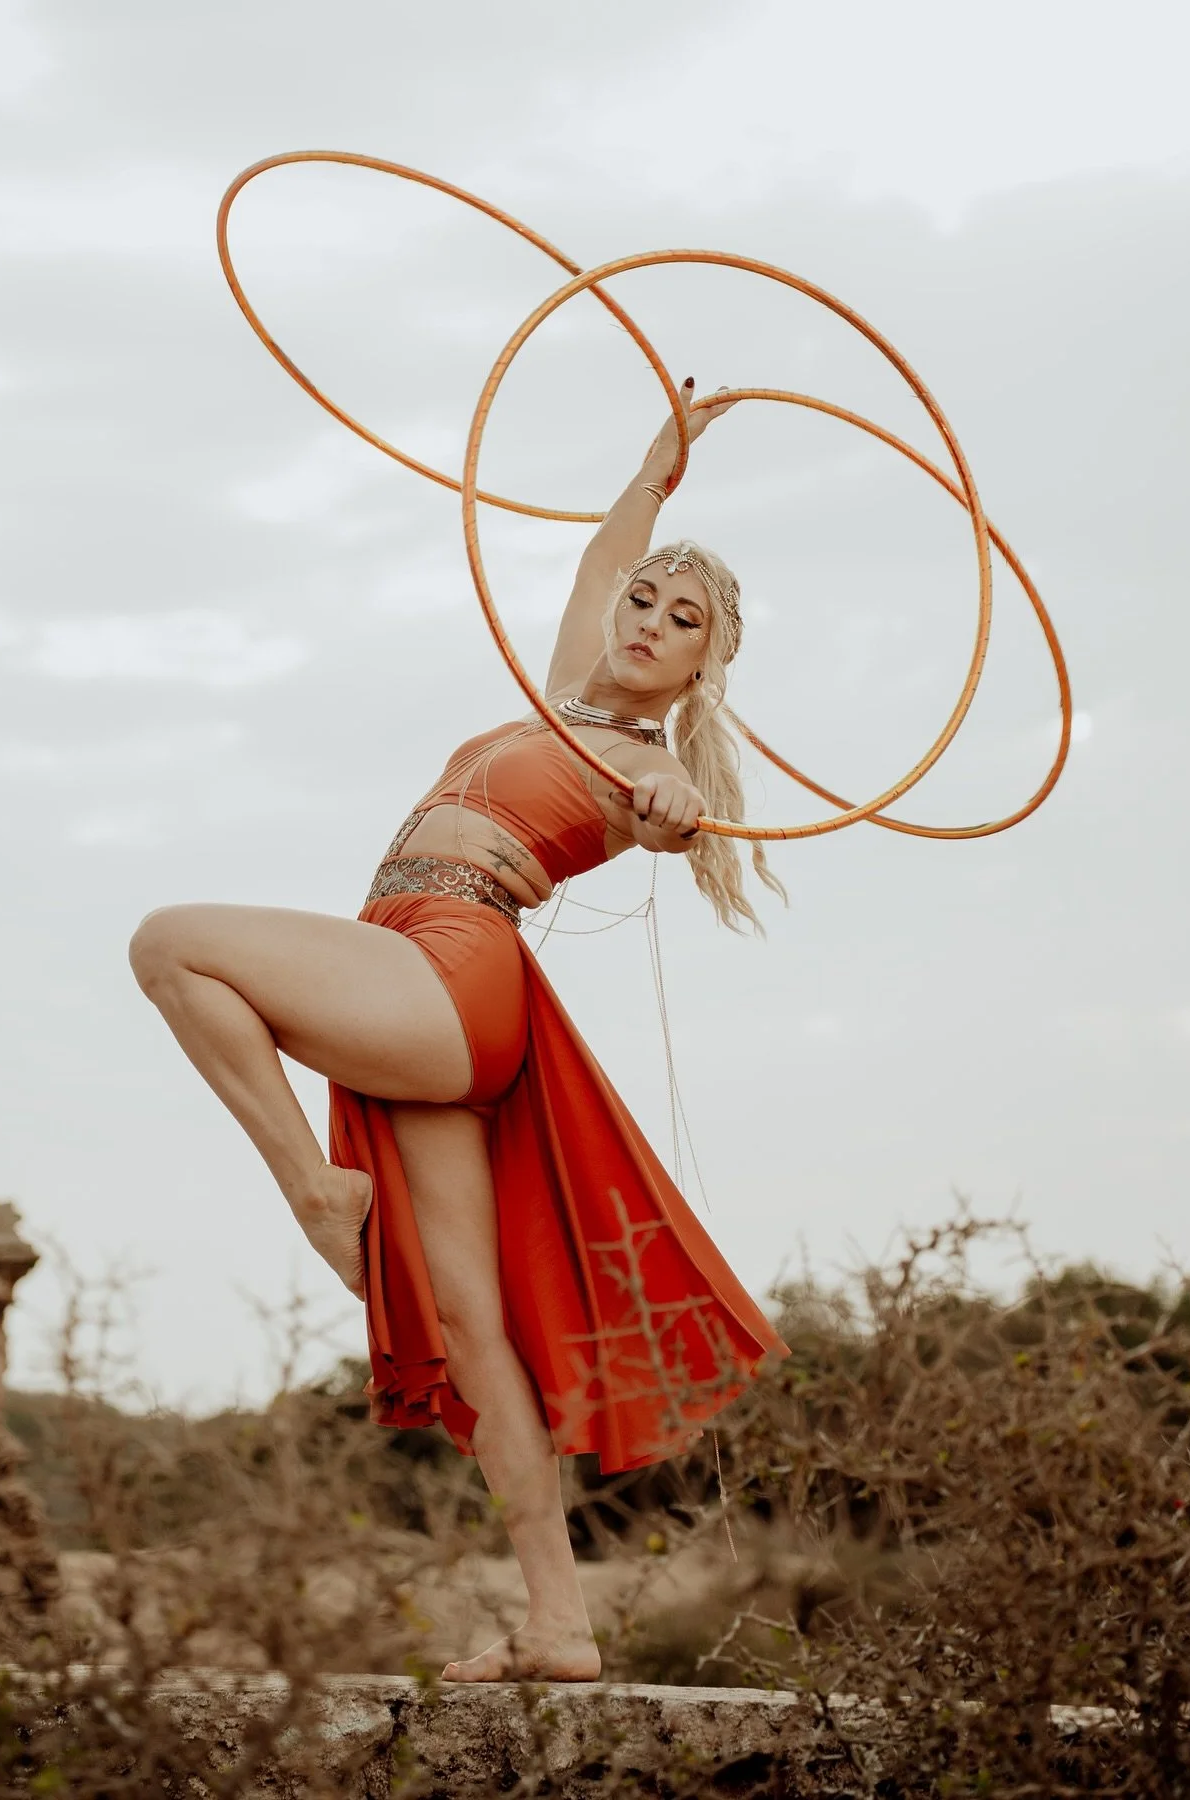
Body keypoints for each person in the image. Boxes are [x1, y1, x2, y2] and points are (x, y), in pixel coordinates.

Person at [128, 377, 790, 1682]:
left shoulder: (642, 760)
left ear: (708, 662)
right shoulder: (562, 696)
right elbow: (609, 550)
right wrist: (661, 461)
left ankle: (319, 1196)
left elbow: (666, 814)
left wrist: (663, 816)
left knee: (171, 942)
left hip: (455, 959)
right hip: (418, 976)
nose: (651, 621)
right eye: (647, 601)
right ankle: (560, 1623)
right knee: (477, 1331)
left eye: (687, 620)